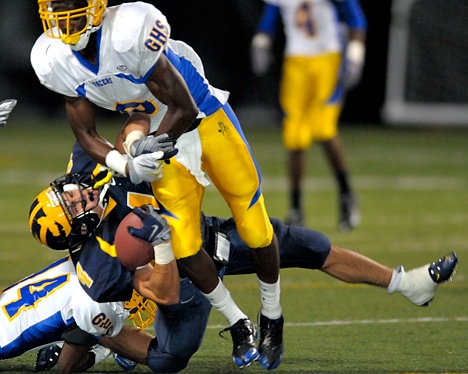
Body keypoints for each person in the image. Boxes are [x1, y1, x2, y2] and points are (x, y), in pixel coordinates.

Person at [29, 143, 458, 373]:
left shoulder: (88, 167)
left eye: (64, 191)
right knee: (165, 359)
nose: (74, 191)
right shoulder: (100, 258)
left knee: (301, 244)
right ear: (80, 227)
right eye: (69, 203)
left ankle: (408, 284)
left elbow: (106, 124)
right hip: (180, 284)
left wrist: (135, 144)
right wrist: (160, 245)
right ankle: (109, 348)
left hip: (205, 236)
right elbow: (160, 288)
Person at [31, 1, 283, 369]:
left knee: (255, 228)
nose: (63, 13)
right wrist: (126, 163)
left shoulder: (129, 31)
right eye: (55, 6)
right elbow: (86, 134)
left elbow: (182, 105)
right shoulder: (55, 60)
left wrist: (151, 150)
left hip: (204, 120)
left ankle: (272, 316)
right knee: (183, 245)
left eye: (71, 5)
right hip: (161, 141)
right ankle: (239, 323)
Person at [250, 0, 367, 230]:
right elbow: (269, 18)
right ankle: (295, 209)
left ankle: (346, 195)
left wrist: (355, 54)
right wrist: (261, 42)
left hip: (328, 58)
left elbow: (356, 19)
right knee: (295, 137)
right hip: (296, 63)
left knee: (323, 129)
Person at [0, 255, 143, 373]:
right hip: (6, 336)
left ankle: (65, 339)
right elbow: (67, 367)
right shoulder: (96, 297)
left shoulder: (87, 259)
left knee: (88, 321)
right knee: (93, 321)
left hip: (11, 305)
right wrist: (103, 349)